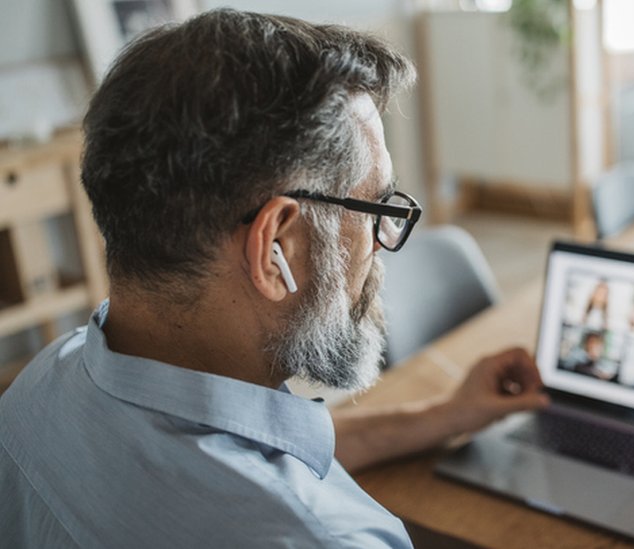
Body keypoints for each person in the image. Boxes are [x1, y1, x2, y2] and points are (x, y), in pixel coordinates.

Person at [0, 10, 549, 548]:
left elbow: (248, 457)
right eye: (375, 206)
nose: (382, 244)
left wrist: (443, 416)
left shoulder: (40, 385)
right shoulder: (328, 537)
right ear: (275, 249)